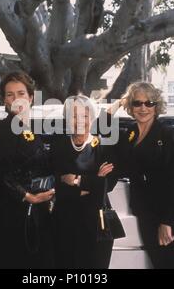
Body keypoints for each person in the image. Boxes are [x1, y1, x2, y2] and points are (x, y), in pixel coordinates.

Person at [107, 82, 174, 269]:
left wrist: (167, 221)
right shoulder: (129, 134)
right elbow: (100, 128)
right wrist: (120, 102)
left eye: (149, 103)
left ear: (156, 106)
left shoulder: (169, 133)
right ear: (130, 106)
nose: (143, 108)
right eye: (137, 103)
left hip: (169, 216)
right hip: (145, 213)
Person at [0, 71, 55, 269]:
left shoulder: (30, 127)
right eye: (10, 94)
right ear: (4, 100)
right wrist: (29, 197)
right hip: (9, 217)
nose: (16, 99)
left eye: (21, 93)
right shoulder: (4, 132)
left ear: (31, 97)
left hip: (32, 215)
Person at [51, 95, 116, 269]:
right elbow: (54, 183)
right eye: (74, 115)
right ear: (66, 118)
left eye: (85, 116)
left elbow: (108, 184)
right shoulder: (58, 145)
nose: (80, 121)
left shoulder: (103, 145)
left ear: (93, 118)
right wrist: (93, 182)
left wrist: (76, 180)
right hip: (64, 224)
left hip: (96, 224)